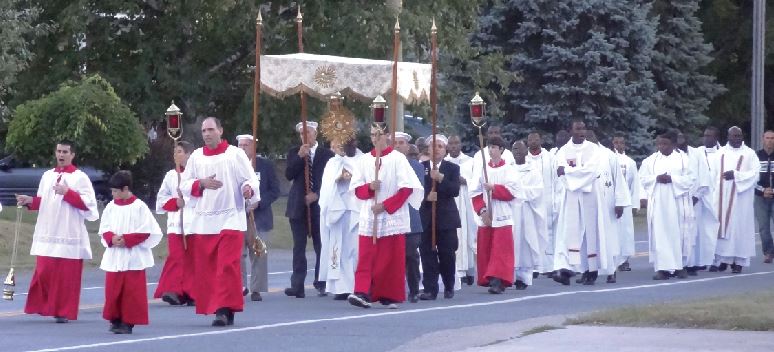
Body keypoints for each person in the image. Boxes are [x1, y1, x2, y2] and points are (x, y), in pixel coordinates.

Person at [180, 117, 260, 327]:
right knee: (209, 268)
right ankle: (219, 306)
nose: (206, 134)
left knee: (226, 266)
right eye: (204, 130)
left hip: (231, 217)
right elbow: (185, 185)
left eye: (210, 129)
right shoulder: (197, 157)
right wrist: (202, 183)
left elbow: (250, 179)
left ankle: (224, 310)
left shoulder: (235, 154)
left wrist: (247, 189)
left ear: (220, 130)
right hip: (205, 221)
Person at [16, 140, 99, 323]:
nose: (61, 155)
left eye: (65, 152)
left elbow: (89, 207)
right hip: (48, 229)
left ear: (72, 155)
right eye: (59, 151)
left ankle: (62, 311)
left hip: (68, 231)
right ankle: (44, 306)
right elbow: (43, 201)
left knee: (65, 275)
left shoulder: (80, 177)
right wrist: (29, 201)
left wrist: (68, 193)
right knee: (44, 270)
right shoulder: (47, 175)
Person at [347, 124, 423, 309]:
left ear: (387, 136)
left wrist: (386, 205)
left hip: (391, 215)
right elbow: (356, 190)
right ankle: (362, 292)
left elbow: (406, 189)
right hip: (370, 214)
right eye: (372, 135)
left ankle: (389, 294)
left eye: (378, 135)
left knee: (390, 258)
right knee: (366, 256)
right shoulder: (364, 160)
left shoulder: (398, 159)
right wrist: (369, 189)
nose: (374, 138)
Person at [552, 121, 617, 286]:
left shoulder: (593, 150)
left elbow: (592, 171)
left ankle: (592, 270)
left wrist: (567, 171)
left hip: (591, 195)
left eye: (583, 128)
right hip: (571, 196)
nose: (581, 131)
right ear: (570, 131)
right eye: (577, 129)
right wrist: (570, 176)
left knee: (591, 232)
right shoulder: (563, 151)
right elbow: (560, 174)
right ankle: (566, 269)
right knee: (568, 232)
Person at [98, 170, 163, 334]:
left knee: (131, 292)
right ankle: (115, 318)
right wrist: (111, 238)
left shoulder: (139, 207)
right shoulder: (111, 207)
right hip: (115, 255)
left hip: (133, 256)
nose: (112, 194)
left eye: (115, 191)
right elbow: (104, 227)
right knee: (113, 290)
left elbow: (148, 231)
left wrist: (126, 239)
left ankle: (128, 322)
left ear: (125, 189)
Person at [284, 121, 335, 298]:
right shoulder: (294, 152)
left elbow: (331, 180)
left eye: (309, 132)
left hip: (319, 206)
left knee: (321, 245)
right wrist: (299, 157)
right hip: (298, 205)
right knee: (299, 246)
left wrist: (318, 194)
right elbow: (289, 174)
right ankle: (297, 284)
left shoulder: (327, 155)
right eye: (301, 134)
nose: (305, 136)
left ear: (316, 133)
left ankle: (321, 281)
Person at [640, 131, 695, 280]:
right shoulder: (650, 161)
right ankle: (662, 268)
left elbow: (691, 179)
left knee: (679, 234)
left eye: (665, 144)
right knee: (660, 235)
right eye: (659, 144)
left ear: (674, 144)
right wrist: (656, 178)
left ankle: (679, 267)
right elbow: (643, 179)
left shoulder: (684, 159)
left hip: (677, 202)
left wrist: (672, 179)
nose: (661, 147)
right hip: (658, 204)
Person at [471, 136, 517, 294]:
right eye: (489, 147)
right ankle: (489, 278)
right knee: (487, 247)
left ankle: (499, 280)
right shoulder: (483, 169)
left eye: (494, 147)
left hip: (502, 213)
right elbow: (475, 192)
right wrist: (481, 210)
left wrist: (495, 189)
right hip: (487, 214)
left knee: (500, 249)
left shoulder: (509, 169)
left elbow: (514, 191)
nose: (491, 150)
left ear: (501, 150)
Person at [237, 134, 280, 302]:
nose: (242, 148)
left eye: (246, 145)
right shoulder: (233, 166)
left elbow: (274, 190)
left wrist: (259, 203)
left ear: (253, 147)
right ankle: (239, 286)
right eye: (240, 145)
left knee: (258, 251)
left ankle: (257, 288)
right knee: (238, 254)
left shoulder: (265, 166)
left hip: (258, 216)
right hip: (239, 216)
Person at [154, 140, 196, 306]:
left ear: (188, 154)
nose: (176, 155)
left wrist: (188, 200)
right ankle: (174, 290)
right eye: (174, 152)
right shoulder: (171, 175)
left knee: (193, 259)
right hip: (176, 224)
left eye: (179, 151)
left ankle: (193, 292)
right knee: (176, 257)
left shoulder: (196, 174)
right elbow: (161, 199)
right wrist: (174, 202)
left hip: (193, 223)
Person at [419, 135, 461, 300]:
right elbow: (414, 190)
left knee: (447, 254)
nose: (436, 149)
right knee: (427, 254)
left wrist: (441, 179)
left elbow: (455, 190)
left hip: (446, 219)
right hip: (427, 218)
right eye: (433, 146)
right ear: (428, 149)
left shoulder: (451, 168)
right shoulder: (421, 167)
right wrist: (426, 197)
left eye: (440, 146)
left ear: (445, 150)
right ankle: (430, 289)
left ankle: (449, 286)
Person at [318, 138, 361, 300]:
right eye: (333, 144)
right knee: (338, 250)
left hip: (355, 209)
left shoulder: (362, 160)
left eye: (338, 143)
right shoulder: (332, 163)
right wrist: (338, 178)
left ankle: (358, 285)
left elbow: (364, 179)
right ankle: (341, 287)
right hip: (337, 210)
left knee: (355, 249)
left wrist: (351, 177)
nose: (334, 147)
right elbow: (327, 186)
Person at [713, 126, 757, 273]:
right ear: (728, 137)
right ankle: (723, 260)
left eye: (739, 136)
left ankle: (738, 262)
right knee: (722, 228)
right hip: (721, 198)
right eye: (734, 136)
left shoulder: (749, 154)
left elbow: (755, 174)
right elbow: (712, 174)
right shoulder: (720, 153)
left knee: (739, 229)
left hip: (741, 199)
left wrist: (737, 176)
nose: (737, 138)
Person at [676, 132, 714, 276]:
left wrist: (697, 196)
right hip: (678, 200)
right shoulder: (672, 155)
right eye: (678, 138)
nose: (680, 140)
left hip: (694, 199)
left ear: (687, 139)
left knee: (692, 232)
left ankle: (691, 264)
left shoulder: (696, 154)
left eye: (683, 137)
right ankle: (678, 263)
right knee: (678, 232)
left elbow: (704, 176)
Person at [393, 131, 425, 303]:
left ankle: (413, 289)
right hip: (390, 216)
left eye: (401, 143)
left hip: (410, 217)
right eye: (395, 143)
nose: (398, 146)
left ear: (407, 146)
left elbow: (413, 189)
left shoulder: (416, 166)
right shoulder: (384, 164)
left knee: (411, 254)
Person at [510, 141, 545, 289]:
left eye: (520, 149)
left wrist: (519, 192)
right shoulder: (508, 169)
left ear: (526, 151)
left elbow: (538, 190)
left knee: (526, 242)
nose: (517, 151)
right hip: (511, 211)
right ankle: (511, 275)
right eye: (514, 149)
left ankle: (525, 277)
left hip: (527, 211)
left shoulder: (533, 170)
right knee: (512, 241)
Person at [444, 135, 477, 286]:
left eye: (456, 143)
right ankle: (459, 271)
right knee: (455, 236)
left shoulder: (470, 162)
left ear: (461, 144)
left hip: (466, 203)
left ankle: (469, 270)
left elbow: (477, 181)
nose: (454, 146)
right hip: (451, 203)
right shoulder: (444, 163)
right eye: (451, 144)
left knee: (468, 234)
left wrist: (465, 181)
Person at [611, 133, 642, 273]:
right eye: (616, 142)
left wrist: (635, 204)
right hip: (611, 203)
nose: (618, 145)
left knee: (626, 232)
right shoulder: (609, 159)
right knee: (613, 232)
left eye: (621, 142)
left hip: (627, 202)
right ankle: (612, 260)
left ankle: (624, 261)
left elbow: (635, 184)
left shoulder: (630, 162)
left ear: (625, 144)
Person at [525, 132, 556, 275]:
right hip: (531, 202)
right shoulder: (524, 159)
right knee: (532, 233)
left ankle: (549, 267)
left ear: (541, 140)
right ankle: (535, 266)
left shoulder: (549, 158)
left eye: (536, 139)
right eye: (530, 139)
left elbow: (556, 180)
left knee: (548, 234)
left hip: (548, 201)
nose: (533, 141)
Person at [696, 126, 723, 272]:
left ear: (716, 137)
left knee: (715, 229)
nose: (706, 138)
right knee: (701, 230)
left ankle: (716, 260)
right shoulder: (697, 152)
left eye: (710, 136)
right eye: (705, 135)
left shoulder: (723, 153)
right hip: (701, 196)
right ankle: (702, 260)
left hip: (717, 196)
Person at [755, 130, 774, 264]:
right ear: (763, 139)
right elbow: (751, 178)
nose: (770, 140)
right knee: (763, 227)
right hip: (760, 197)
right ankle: (768, 252)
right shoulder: (755, 156)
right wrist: (763, 191)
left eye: (772, 138)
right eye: (767, 138)